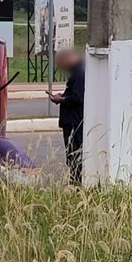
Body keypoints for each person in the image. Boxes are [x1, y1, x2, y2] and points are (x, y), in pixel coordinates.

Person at [50, 49, 85, 184]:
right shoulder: (78, 71)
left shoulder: (79, 73)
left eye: (60, 64)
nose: (61, 68)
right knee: (72, 154)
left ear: (67, 60)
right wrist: (64, 96)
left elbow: (78, 97)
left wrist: (62, 100)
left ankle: (76, 183)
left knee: (75, 154)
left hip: (74, 121)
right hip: (73, 120)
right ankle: (75, 180)